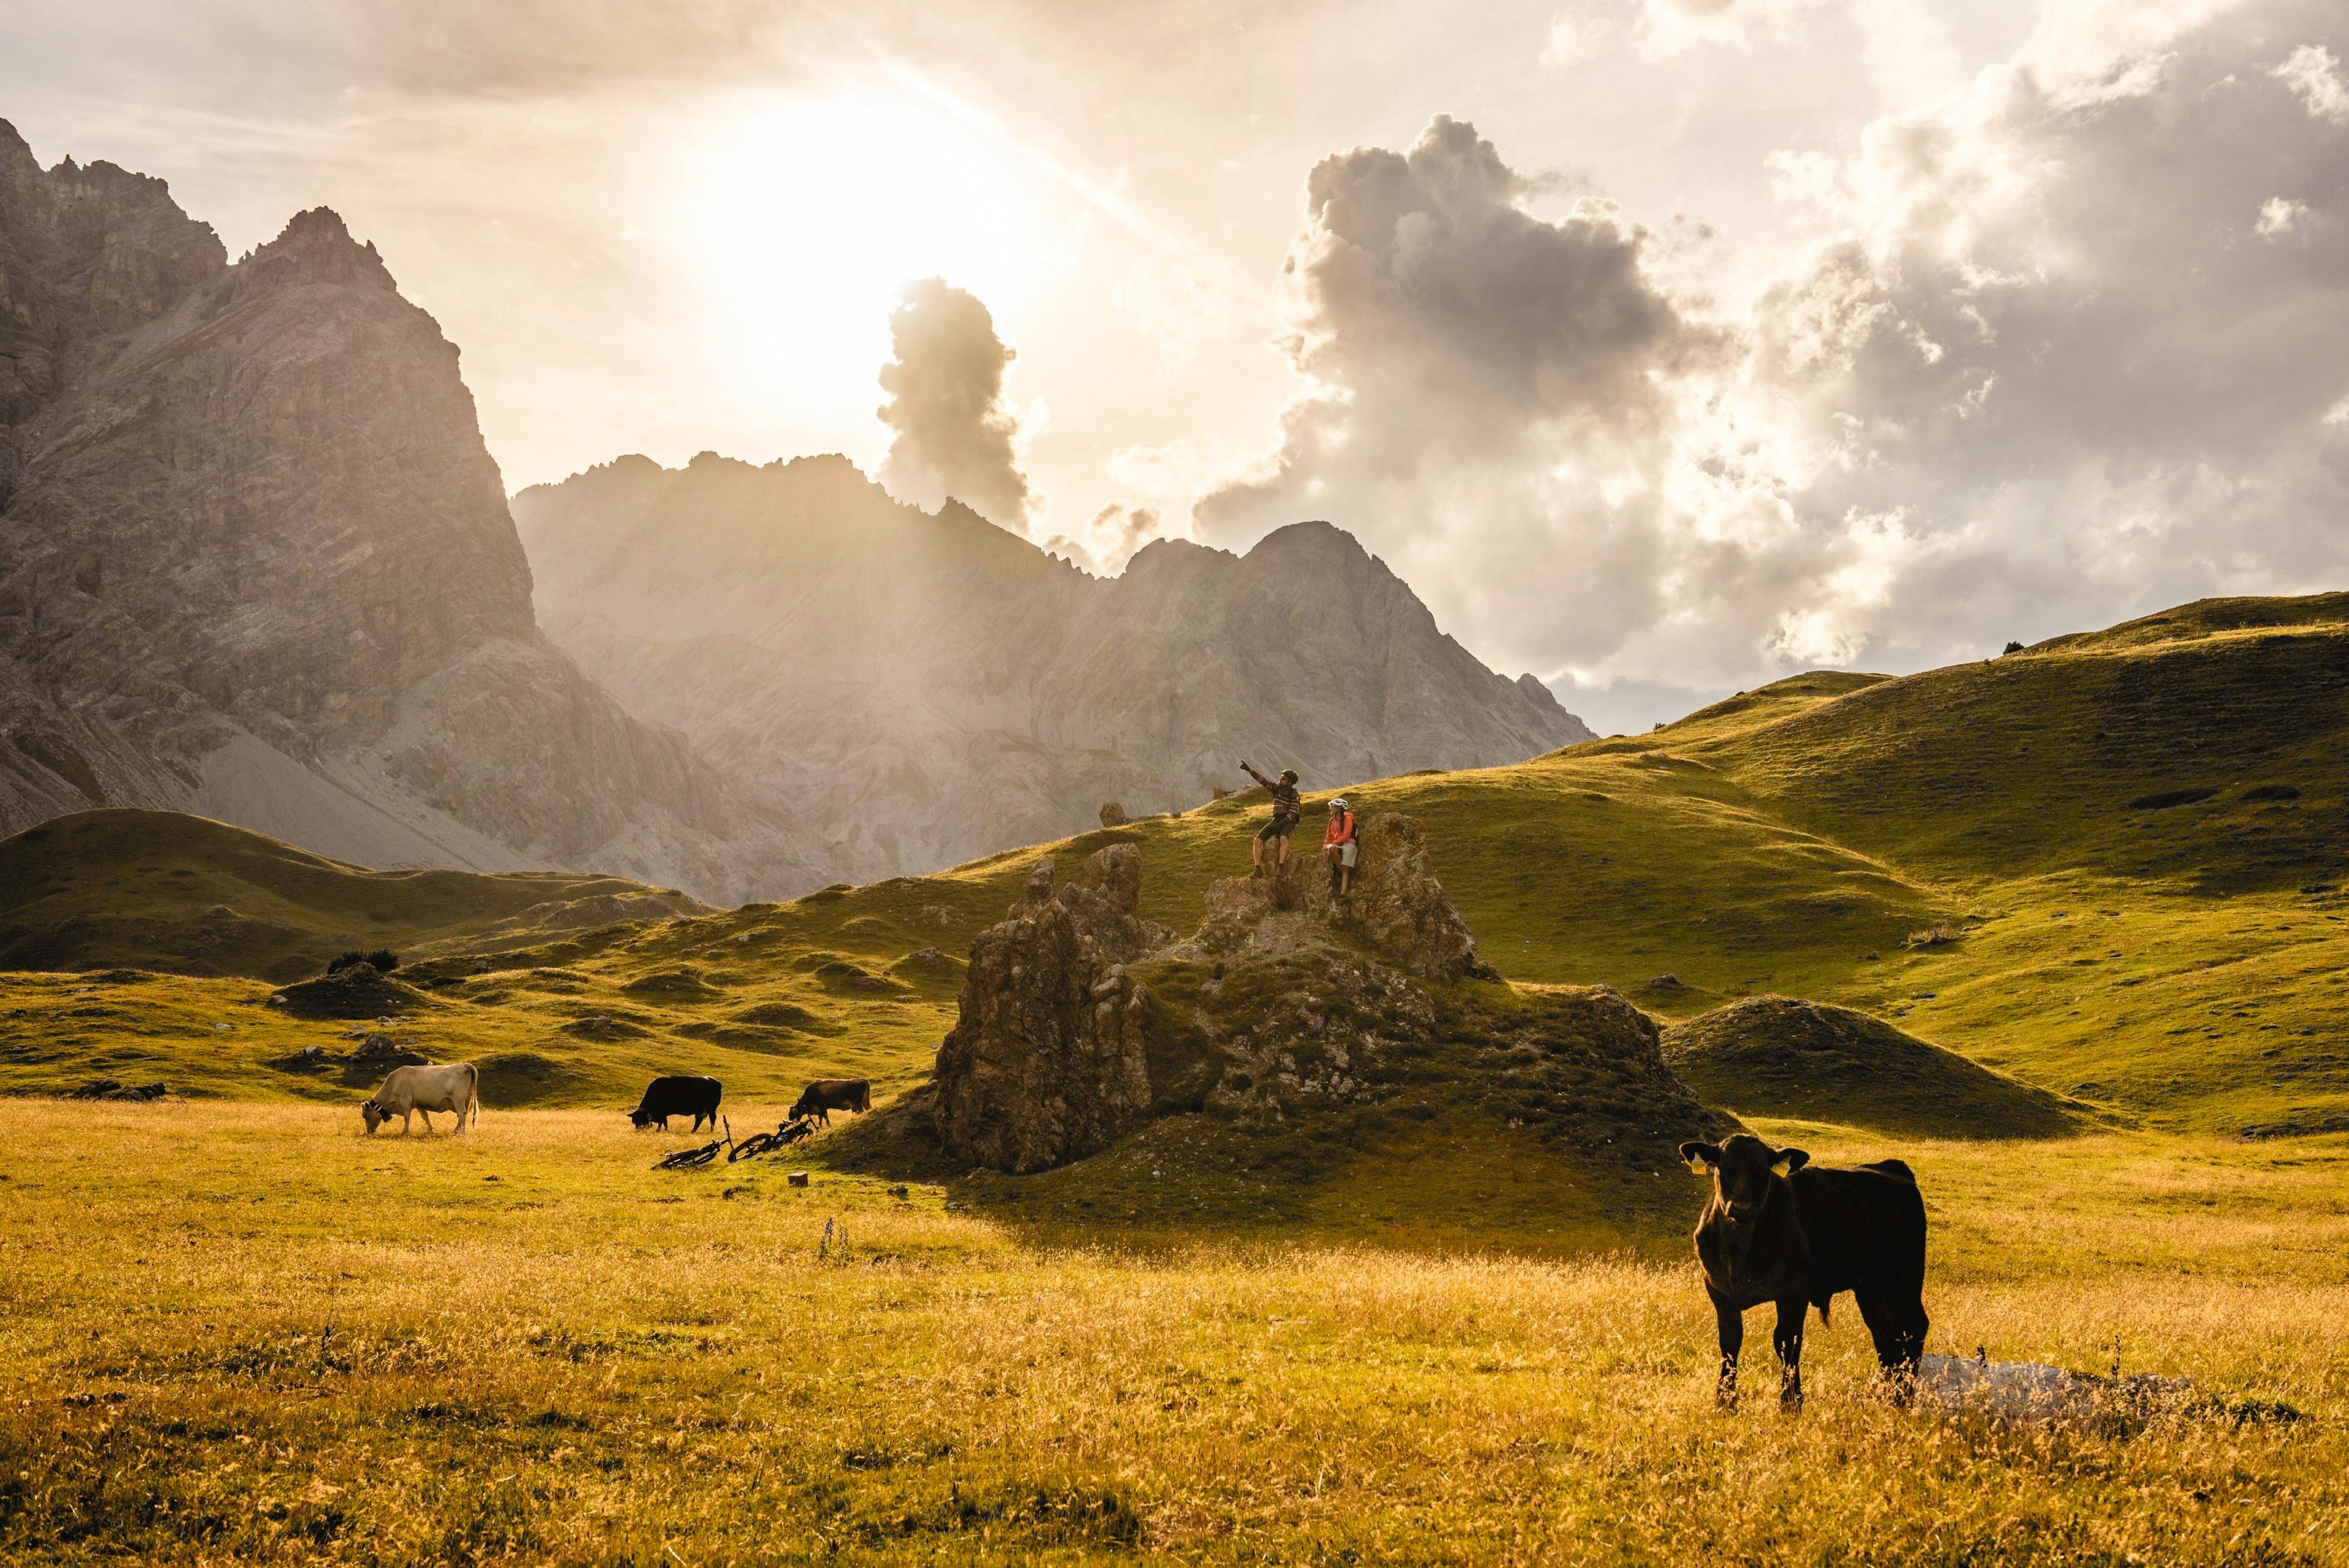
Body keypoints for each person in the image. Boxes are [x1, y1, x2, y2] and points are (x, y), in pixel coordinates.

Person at [1239, 759, 1301, 877]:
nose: (1280, 780)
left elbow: (1293, 813)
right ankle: (1257, 869)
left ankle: (1280, 867)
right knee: (1257, 841)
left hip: (1288, 821)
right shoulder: (1276, 789)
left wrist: (1283, 823)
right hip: (1276, 820)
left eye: (1284, 779)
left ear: (1290, 782)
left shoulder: (1294, 795)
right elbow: (1263, 781)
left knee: (1283, 838)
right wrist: (1250, 770)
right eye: (1281, 777)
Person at [1321, 795, 1358, 897]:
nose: (1330, 808)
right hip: (1337, 844)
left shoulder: (1348, 819)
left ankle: (1343, 893)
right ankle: (1341, 870)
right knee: (1331, 849)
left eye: (1332, 806)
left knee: (1346, 868)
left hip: (1349, 844)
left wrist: (1334, 843)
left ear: (1339, 808)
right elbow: (1328, 835)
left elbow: (1346, 835)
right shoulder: (1332, 821)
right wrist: (1325, 846)